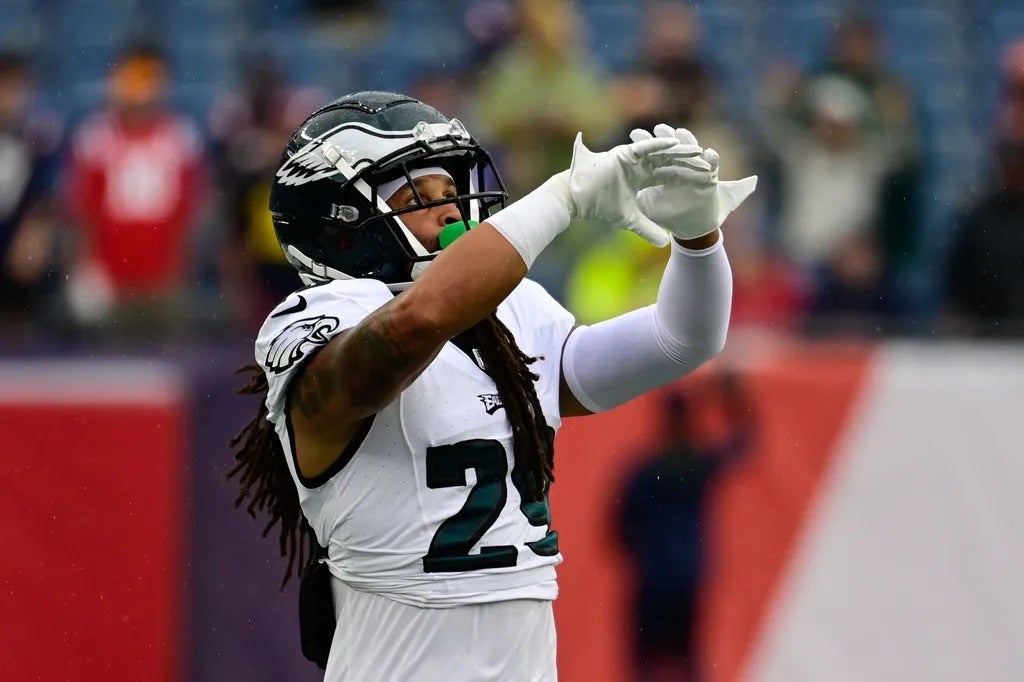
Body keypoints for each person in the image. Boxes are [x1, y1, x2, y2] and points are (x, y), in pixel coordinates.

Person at [228, 91, 756, 680]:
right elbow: (412, 327)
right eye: (417, 199)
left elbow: (683, 338)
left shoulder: (510, 316)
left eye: (450, 191)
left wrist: (698, 236)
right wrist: (563, 197)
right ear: (344, 229)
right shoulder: (317, 318)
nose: (452, 211)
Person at [616, 374, 756, 682]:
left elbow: (617, 530)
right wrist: (735, 400)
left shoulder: (643, 471)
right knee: (689, 662)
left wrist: (645, 554)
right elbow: (744, 444)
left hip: (651, 580)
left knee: (645, 665)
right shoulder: (699, 464)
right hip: (689, 577)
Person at [63, 40, 206, 337]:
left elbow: (193, 211)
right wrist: (85, 267)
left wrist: (181, 269)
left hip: (165, 276)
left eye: (149, 78)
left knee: (170, 362)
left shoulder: (180, 135)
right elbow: (81, 209)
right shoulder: (95, 135)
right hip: (111, 275)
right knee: (111, 369)